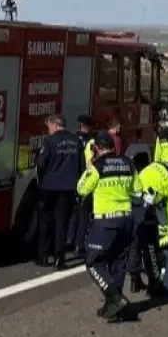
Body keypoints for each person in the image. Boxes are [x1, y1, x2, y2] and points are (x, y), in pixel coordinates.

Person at [77, 131, 136, 321]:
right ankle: (114, 308)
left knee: (93, 262)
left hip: (105, 222)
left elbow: (81, 188)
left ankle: (115, 297)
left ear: (97, 148)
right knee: (118, 263)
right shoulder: (128, 163)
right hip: (126, 219)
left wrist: (88, 165)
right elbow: (138, 188)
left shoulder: (97, 166)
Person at [129, 152, 168, 294]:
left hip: (133, 197)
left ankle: (135, 280)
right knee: (151, 245)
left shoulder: (162, 163)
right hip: (146, 203)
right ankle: (154, 285)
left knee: (135, 243)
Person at [34, 114, 82, 268]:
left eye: (48, 126)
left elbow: (41, 164)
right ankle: (59, 259)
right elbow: (82, 166)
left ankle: (42, 256)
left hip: (49, 187)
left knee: (45, 222)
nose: (48, 130)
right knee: (61, 224)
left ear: (55, 125)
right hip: (68, 189)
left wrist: (42, 179)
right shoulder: (76, 141)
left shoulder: (49, 141)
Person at [68, 115, 95, 257]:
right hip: (85, 181)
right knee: (84, 214)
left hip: (70, 180)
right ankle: (79, 245)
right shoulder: (91, 142)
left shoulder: (72, 139)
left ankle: (69, 239)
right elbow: (91, 163)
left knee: (74, 212)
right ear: (88, 127)